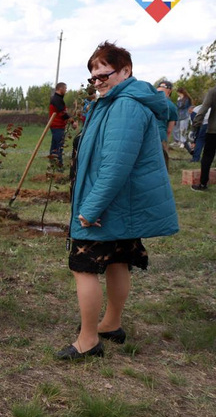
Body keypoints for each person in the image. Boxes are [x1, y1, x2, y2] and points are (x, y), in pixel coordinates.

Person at [57, 41, 178, 360]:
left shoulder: (125, 106)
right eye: (92, 76)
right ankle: (111, 324)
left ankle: (88, 340)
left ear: (126, 71)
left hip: (106, 206)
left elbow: (116, 164)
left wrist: (90, 208)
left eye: (103, 73)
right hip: (120, 204)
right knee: (118, 261)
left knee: (83, 268)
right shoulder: (115, 101)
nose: (97, 81)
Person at [191, 85, 216, 191]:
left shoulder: (213, 91)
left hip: (213, 130)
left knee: (207, 157)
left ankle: (203, 184)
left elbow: (204, 108)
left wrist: (196, 124)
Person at [48, 82, 76, 167]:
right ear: (60, 89)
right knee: (59, 146)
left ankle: (52, 163)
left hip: (56, 126)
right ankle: (59, 165)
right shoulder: (57, 99)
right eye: (65, 89)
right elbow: (63, 114)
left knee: (55, 145)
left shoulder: (58, 99)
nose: (66, 90)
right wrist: (72, 122)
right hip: (57, 126)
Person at [156, 80, 179, 171]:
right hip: (161, 135)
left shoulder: (148, 101)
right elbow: (169, 129)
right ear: (170, 91)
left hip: (145, 134)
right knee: (162, 161)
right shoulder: (171, 106)